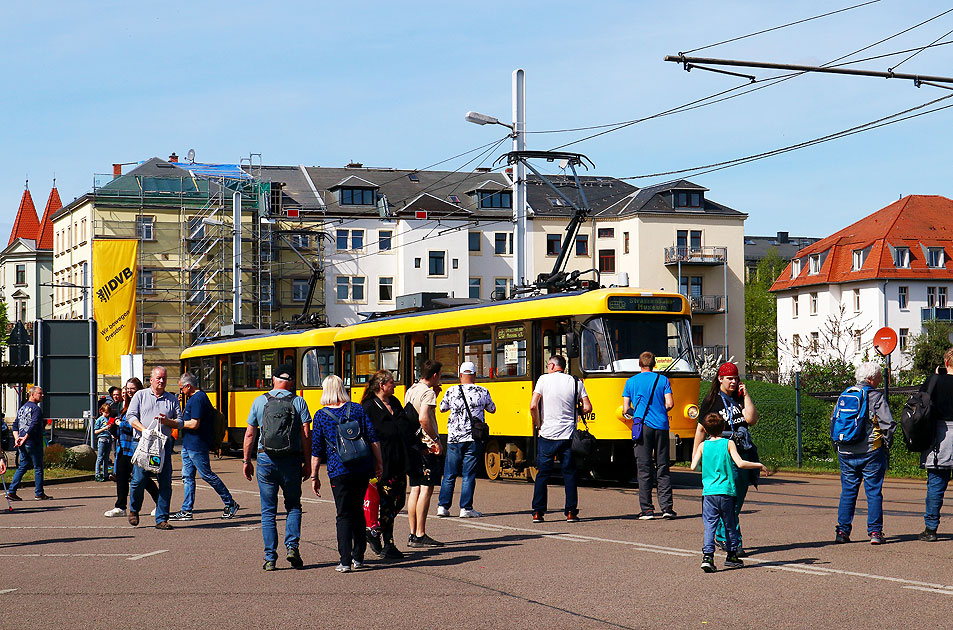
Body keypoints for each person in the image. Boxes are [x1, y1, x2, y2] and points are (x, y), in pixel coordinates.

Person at [243, 362, 312, 571]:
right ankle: (292, 547)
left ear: (273, 379)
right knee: (293, 506)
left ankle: (270, 558)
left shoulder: (260, 401)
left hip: (265, 459)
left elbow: (250, 434)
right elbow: (306, 435)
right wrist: (308, 463)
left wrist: (246, 461)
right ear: (291, 382)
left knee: (268, 511)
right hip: (291, 460)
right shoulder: (299, 401)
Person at [312, 374, 383, 572]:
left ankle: (345, 561)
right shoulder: (357, 409)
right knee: (358, 511)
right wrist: (379, 463)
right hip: (361, 467)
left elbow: (317, 449)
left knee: (343, 514)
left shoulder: (321, 415)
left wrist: (314, 475)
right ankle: (358, 558)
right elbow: (372, 438)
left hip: (338, 470)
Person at [695, 362, 759, 555]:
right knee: (731, 499)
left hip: (742, 451)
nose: (733, 381)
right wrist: (696, 455)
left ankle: (724, 534)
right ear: (720, 379)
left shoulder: (739, 398)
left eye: (736, 378)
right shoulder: (712, 401)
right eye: (729, 378)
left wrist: (746, 395)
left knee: (738, 498)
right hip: (724, 454)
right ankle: (731, 540)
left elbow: (751, 419)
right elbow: (701, 429)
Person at [691, 413, 769, 572]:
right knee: (730, 524)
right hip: (726, 491)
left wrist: (705, 468)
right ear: (723, 428)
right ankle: (731, 555)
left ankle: (707, 556)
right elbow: (740, 463)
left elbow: (693, 467)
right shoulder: (728, 443)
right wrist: (758, 465)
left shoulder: (703, 446)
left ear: (705, 430)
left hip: (709, 493)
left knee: (710, 525)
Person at [833, 362, 896, 545]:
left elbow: (834, 420)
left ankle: (842, 532)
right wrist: (886, 444)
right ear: (870, 379)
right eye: (878, 377)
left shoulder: (846, 394)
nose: (879, 380)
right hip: (870, 451)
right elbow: (888, 424)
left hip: (845, 450)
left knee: (848, 491)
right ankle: (875, 532)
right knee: (874, 491)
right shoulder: (876, 397)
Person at [170, 372, 239, 521]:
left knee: (206, 475)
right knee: (187, 477)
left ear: (189, 386)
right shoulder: (193, 398)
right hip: (188, 444)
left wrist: (174, 423)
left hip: (197, 445)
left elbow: (194, 424)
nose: (181, 391)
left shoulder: (198, 399)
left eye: (182, 388)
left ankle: (230, 503)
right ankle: (186, 510)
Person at [530, 355, 591, 523]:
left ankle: (538, 512)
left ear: (551, 365)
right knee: (569, 474)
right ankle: (571, 512)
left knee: (542, 474)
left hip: (547, 434)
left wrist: (539, 425)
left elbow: (533, 406)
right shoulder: (575, 381)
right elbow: (587, 407)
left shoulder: (543, 380)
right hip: (568, 435)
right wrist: (576, 413)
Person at [361, 370, 413, 559]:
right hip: (381, 463)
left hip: (399, 460)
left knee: (399, 502)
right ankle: (388, 544)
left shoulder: (395, 402)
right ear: (382, 385)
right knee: (387, 503)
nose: (395, 385)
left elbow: (405, 426)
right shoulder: (368, 407)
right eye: (392, 382)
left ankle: (373, 532)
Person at [437, 361, 495, 518]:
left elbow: (442, 408)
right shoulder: (483, 391)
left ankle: (443, 507)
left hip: (454, 439)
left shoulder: (451, 391)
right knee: (469, 475)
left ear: (460, 375)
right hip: (473, 438)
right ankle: (466, 509)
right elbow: (492, 409)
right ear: (474, 375)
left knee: (449, 474)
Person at [126, 366, 182, 530]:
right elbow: (130, 416)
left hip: (162, 445)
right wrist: (144, 430)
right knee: (139, 480)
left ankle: (162, 518)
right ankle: (134, 509)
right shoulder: (140, 395)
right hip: (143, 443)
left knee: (165, 482)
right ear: (151, 380)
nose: (161, 381)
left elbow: (180, 422)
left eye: (164, 378)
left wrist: (168, 422)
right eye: (158, 378)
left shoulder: (172, 399)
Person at [622, 351, 675, 520]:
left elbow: (625, 409)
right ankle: (667, 508)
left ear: (640, 364)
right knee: (663, 466)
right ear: (654, 364)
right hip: (661, 426)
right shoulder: (663, 380)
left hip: (642, 427)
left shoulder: (630, 382)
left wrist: (637, 413)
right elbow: (670, 403)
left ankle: (647, 510)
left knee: (644, 468)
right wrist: (659, 411)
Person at [404, 359, 445, 548]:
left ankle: (413, 533)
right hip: (427, 445)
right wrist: (436, 440)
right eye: (440, 375)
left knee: (415, 488)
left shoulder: (411, 389)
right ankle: (420, 533)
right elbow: (424, 418)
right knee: (427, 488)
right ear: (435, 375)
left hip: (414, 445)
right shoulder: (428, 393)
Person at [105, 378, 159, 518]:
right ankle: (120, 507)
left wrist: (120, 424)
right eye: (127, 389)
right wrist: (114, 428)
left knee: (142, 479)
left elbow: (137, 425)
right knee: (121, 477)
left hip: (136, 447)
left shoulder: (142, 404)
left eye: (132, 388)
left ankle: (160, 503)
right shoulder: (125, 406)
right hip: (123, 447)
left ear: (139, 389)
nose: (129, 391)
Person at [920, 348, 953, 542]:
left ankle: (931, 529)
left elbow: (921, 403)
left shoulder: (934, 381)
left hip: (940, 435)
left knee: (936, 484)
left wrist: (935, 377)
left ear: (946, 363)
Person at [6, 386, 51, 501]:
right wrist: (24, 437)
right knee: (38, 467)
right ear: (32, 394)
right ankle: (39, 493)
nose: (42, 395)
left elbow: (15, 425)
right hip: (33, 442)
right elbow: (34, 424)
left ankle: (11, 491)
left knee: (23, 466)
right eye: (40, 393)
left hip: (22, 443)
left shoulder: (22, 408)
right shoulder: (36, 409)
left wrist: (17, 438)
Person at [93, 402, 113, 482]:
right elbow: (96, 431)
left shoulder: (109, 419)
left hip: (109, 439)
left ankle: (105, 474)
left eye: (108, 413)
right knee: (100, 457)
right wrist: (104, 428)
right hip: (102, 439)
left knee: (106, 458)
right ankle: (97, 474)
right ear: (102, 411)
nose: (107, 414)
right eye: (106, 412)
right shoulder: (99, 419)